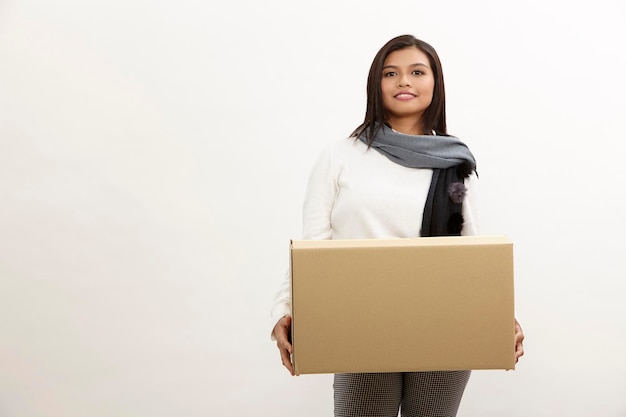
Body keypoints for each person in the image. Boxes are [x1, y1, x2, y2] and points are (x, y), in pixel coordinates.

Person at [271, 34, 525, 417]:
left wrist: (500, 314)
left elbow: (472, 249)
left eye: (417, 72)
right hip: (360, 319)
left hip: (444, 320)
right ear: (377, 84)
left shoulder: (455, 161)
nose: (404, 81)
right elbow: (313, 247)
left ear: (434, 84)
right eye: (391, 73)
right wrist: (285, 309)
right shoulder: (340, 156)